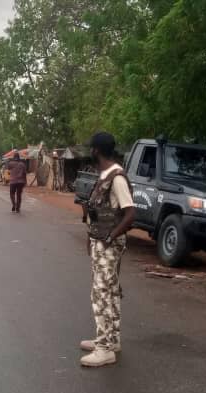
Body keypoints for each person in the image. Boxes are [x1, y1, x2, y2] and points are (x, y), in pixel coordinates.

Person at [79, 132, 137, 368]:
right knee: (110, 291)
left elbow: (130, 213)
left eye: (91, 148)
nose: (89, 152)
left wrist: (109, 237)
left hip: (108, 244)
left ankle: (104, 349)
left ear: (96, 150)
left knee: (101, 293)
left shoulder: (117, 177)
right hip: (100, 241)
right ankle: (110, 341)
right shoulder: (104, 176)